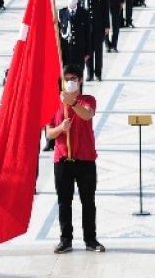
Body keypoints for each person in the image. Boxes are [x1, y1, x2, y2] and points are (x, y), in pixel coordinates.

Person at [46, 67, 104, 254]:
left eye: (74, 78)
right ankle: (66, 239)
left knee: (88, 201)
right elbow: (49, 132)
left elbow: (87, 115)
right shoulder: (53, 104)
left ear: (79, 81)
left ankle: (90, 239)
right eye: (67, 78)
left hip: (85, 157)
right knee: (64, 201)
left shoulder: (87, 100)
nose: (70, 81)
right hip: (63, 158)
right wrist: (61, 128)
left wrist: (72, 104)